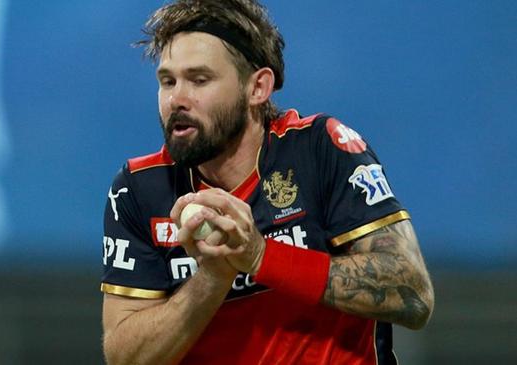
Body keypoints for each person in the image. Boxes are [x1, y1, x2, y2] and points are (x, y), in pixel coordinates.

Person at [100, 0, 434, 364]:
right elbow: (127, 358)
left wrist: (260, 256)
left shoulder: (320, 149)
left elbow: (413, 294)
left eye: (199, 79)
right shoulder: (138, 189)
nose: (177, 99)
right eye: (168, 81)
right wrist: (213, 276)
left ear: (258, 87)